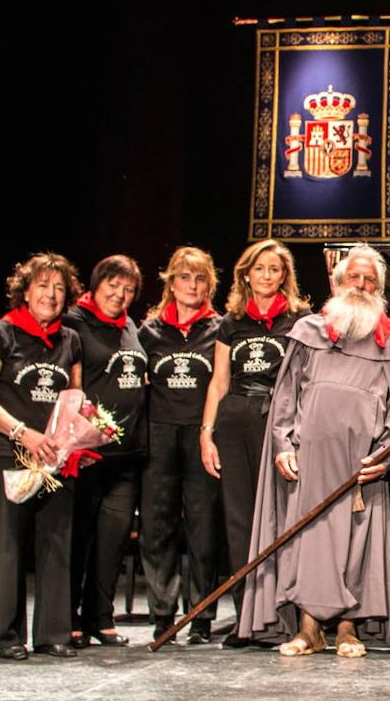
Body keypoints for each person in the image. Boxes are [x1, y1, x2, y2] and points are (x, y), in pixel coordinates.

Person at [238, 244, 390, 656]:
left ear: (380, 288)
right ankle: (308, 630)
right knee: (310, 543)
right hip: (310, 462)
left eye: (369, 280)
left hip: (361, 466)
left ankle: (347, 630)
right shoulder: (309, 332)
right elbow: (286, 399)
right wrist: (282, 445)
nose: (360, 285)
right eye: (353, 278)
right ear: (337, 284)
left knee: (358, 545)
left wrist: (385, 456)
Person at [0, 253, 84, 659]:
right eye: (43, 286)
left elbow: (76, 400)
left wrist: (78, 442)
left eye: (59, 288)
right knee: (9, 543)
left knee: (56, 541)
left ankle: (54, 633)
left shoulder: (70, 339)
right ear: (25, 290)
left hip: (55, 456)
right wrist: (21, 432)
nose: (51, 295)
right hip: (8, 451)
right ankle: (8, 637)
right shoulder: (0, 333)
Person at [199, 239, 310, 648]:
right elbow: (219, 381)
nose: (267, 276)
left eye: (275, 270)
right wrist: (206, 433)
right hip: (235, 421)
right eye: (259, 269)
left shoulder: (300, 319)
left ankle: (285, 616)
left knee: (283, 519)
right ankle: (247, 618)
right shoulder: (230, 322)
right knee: (240, 521)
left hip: (279, 423)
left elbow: (304, 381)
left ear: (285, 276)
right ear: (246, 274)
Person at [138, 246, 223, 644]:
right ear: (170, 283)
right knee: (158, 528)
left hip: (201, 436)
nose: (192, 285)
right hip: (158, 436)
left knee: (203, 528)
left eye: (200, 278)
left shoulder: (219, 328)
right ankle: (162, 616)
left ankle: (202, 617)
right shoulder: (148, 331)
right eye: (185, 277)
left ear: (210, 284)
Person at [64, 254, 148, 649]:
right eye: (113, 285)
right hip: (86, 454)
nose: (120, 294)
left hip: (126, 455)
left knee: (112, 540)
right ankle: (68, 615)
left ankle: (101, 617)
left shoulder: (130, 325)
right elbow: (69, 380)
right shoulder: (75, 323)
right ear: (95, 285)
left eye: (129, 289)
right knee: (78, 537)